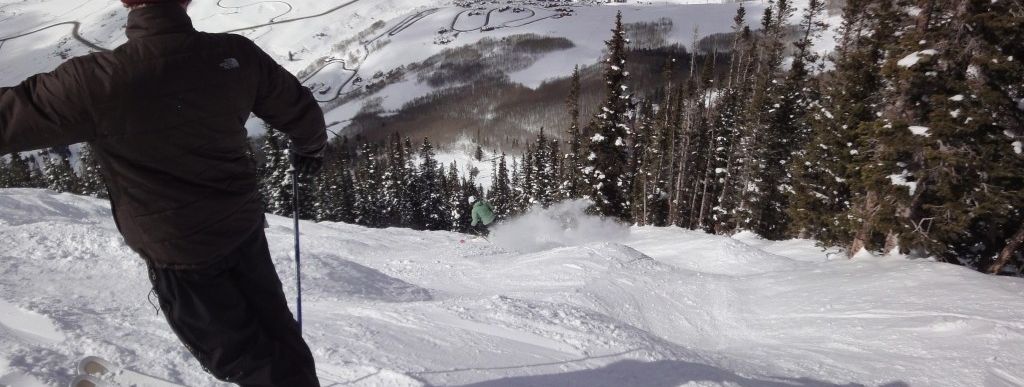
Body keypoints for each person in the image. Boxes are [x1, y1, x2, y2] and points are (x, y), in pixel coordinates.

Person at [0, 0, 326, 385]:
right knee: (276, 330)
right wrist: (311, 149)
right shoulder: (234, 54)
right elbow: (298, 107)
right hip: (242, 226)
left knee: (240, 357)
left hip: (180, 251)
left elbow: (11, 116)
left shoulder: (95, 80)